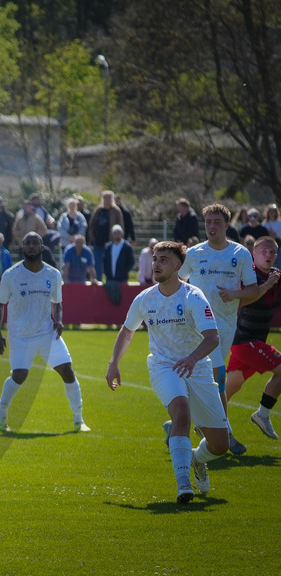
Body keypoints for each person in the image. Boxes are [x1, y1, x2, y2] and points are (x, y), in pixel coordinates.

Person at [105, 241, 228, 503]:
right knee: (181, 414)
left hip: (197, 367)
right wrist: (113, 362)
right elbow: (128, 331)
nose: (157, 264)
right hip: (163, 366)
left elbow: (213, 337)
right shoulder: (145, 298)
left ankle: (195, 458)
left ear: (177, 266)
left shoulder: (193, 296)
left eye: (164, 259)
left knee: (220, 445)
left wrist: (193, 358)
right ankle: (184, 484)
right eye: (155, 259)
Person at [175, 204, 261, 455]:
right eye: (208, 222)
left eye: (216, 222)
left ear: (226, 225)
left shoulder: (241, 253)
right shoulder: (194, 253)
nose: (211, 226)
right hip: (196, 328)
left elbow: (253, 290)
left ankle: (184, 424)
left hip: (224, 326)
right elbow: (178, 281)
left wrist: (234, 294)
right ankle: (225, 434)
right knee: (216, 380)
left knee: (211, 380)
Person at [0, 232, 89, 434]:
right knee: (19, 375)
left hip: (46, 333)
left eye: (35, 243)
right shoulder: (11, 275)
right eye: (27, 243)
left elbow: (57, 302)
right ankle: (0, 414)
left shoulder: (53, 274)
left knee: (67, 371)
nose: (31, 246)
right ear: (23, 247)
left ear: (42, 247)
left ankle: (79, 420)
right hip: (20, 335)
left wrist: (59, 320)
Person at [222, 236, 281, 442]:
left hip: (251, 342)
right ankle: (262, 414)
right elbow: (243, 297)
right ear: (253, 255)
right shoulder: (249, 275)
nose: (268, 255)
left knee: (229, 389)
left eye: (272, 252)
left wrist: (273, 281)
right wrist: (267, 284)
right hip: (245, 340)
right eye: (263, 251)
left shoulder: (276, 277)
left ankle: (178, 424)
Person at [87, 191, 123, 282]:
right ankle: (98, 280)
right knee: (98, 262)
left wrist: (118, 240)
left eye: (108, 198)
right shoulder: (98, 210)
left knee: (109, 263)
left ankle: (109, 281)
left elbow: (121, 226)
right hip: (98, 241)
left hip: (111, 243)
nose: (106, 200)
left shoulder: (116, 211)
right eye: (105, 198)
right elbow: (91, 224)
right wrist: (92, 237)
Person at [102, 224, 135, 305]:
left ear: (122, 234)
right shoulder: (108, 247)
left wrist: (123, 272)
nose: (117, 235)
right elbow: (105, 262)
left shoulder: (127, 247)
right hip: (110, 279)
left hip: (122, 279)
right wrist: (107, 273)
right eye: (115, 233)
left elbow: (131, 262)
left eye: (119, 232)